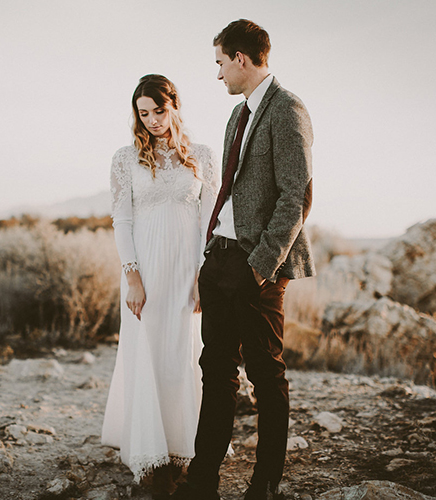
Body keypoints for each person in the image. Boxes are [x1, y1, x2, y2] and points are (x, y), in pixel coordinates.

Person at [172, 19, 315, 500]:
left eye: (219, 63)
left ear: (240, 58)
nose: (217, 76)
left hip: (258, 266)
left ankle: (265, 486)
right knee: (215, 372)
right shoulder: (237, 115)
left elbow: (296, 195)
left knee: (266, 375)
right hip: (220, 259)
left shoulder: (288, 109)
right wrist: (210, 252)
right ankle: (202, 482)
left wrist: (261, 265)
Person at [101, 74, 219, 498]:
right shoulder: (125, 158)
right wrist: (132, 275)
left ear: (175, 106)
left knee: (180, 357)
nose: (151, 120)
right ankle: (152, 459)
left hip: (188, 271)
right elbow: (123, 219)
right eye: (143, 113)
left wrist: (206, 277)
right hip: (145, 273)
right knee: (148, 355)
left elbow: (211, 222)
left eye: (158, 110)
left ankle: (181, 449)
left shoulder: (202, 156)